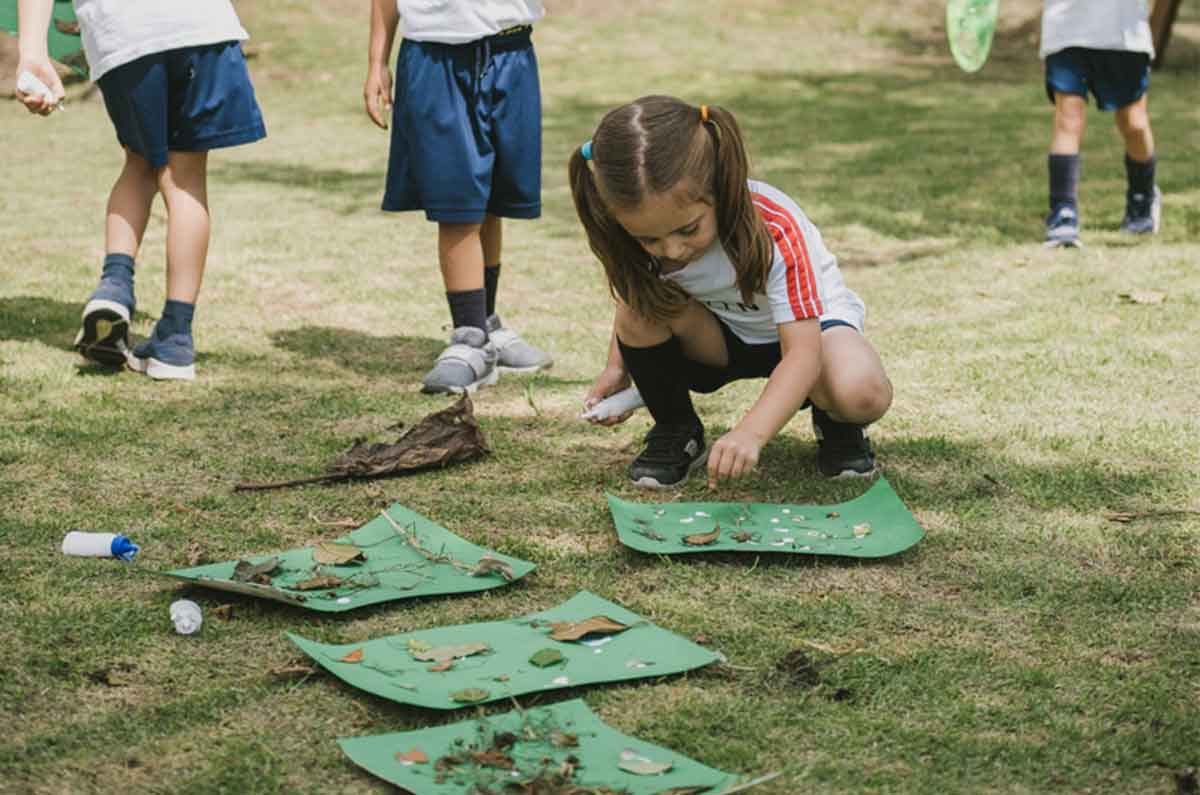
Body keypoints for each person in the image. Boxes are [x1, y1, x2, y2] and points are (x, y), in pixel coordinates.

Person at [569, 96, 892, 489]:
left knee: (863, 392)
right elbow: (634, 296)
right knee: (643, 306)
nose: (671, 250)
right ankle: (676, 428)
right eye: (649, 239)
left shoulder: (772, 225)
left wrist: (751, 433)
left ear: (721, 188)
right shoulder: (635, 235)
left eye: (687, 230)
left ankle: (837, 423)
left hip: (811, 336)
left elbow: (803, 355)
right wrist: (617, 369)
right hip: (721, 338)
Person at [15, 0, 266, 380]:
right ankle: (175, 340)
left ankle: (115, 287)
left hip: (125, 31)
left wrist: (32, 52)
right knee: (186, 179)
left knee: (139, 163)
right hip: (203, 24)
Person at [364, 0, 553, 395]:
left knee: (491, 201)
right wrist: (377, 62)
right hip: (437, 59)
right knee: (457, 205)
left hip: (511, 51)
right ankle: (470, 338)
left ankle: (486, 322)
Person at [1041, 0, 1161, 248]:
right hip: (1066, 30)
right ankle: (1063, 213)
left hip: (1124, 34)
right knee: (1069, 118)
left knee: (1134, 123)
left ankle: (1142, 199)